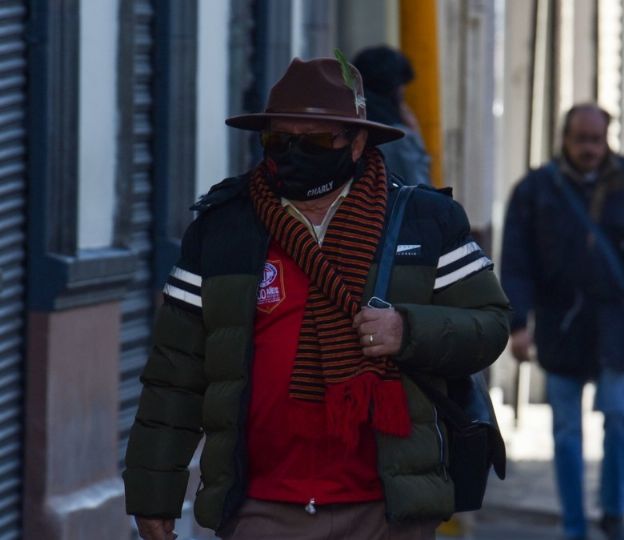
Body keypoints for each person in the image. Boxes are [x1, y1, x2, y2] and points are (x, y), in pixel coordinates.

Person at [122, 57, 510, 540]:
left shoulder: (425, 221)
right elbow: (174, 374)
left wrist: (408, 330)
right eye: (279, 141)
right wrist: (152, 494)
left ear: (357, 142)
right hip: (261, 508)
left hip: (387, 510)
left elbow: (489, 324)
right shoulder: (223, 229)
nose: (294, 153)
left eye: (317, 141)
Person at [501, 104, 624, 540]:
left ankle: (614, 514)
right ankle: (574, 526)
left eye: (595, 140)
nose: (588, 149)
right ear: (564, 138)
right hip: (562, 324)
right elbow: (517, 263)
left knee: (617, 415)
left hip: (620, 322)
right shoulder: (536, 189)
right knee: (565, 431)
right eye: (580, 139)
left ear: (607, 139)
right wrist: (518, 324)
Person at [352, 45, 432, 186]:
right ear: (394, 89)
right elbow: (423, 192)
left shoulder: (345, 128)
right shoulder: (400, 140)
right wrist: (414, 134)